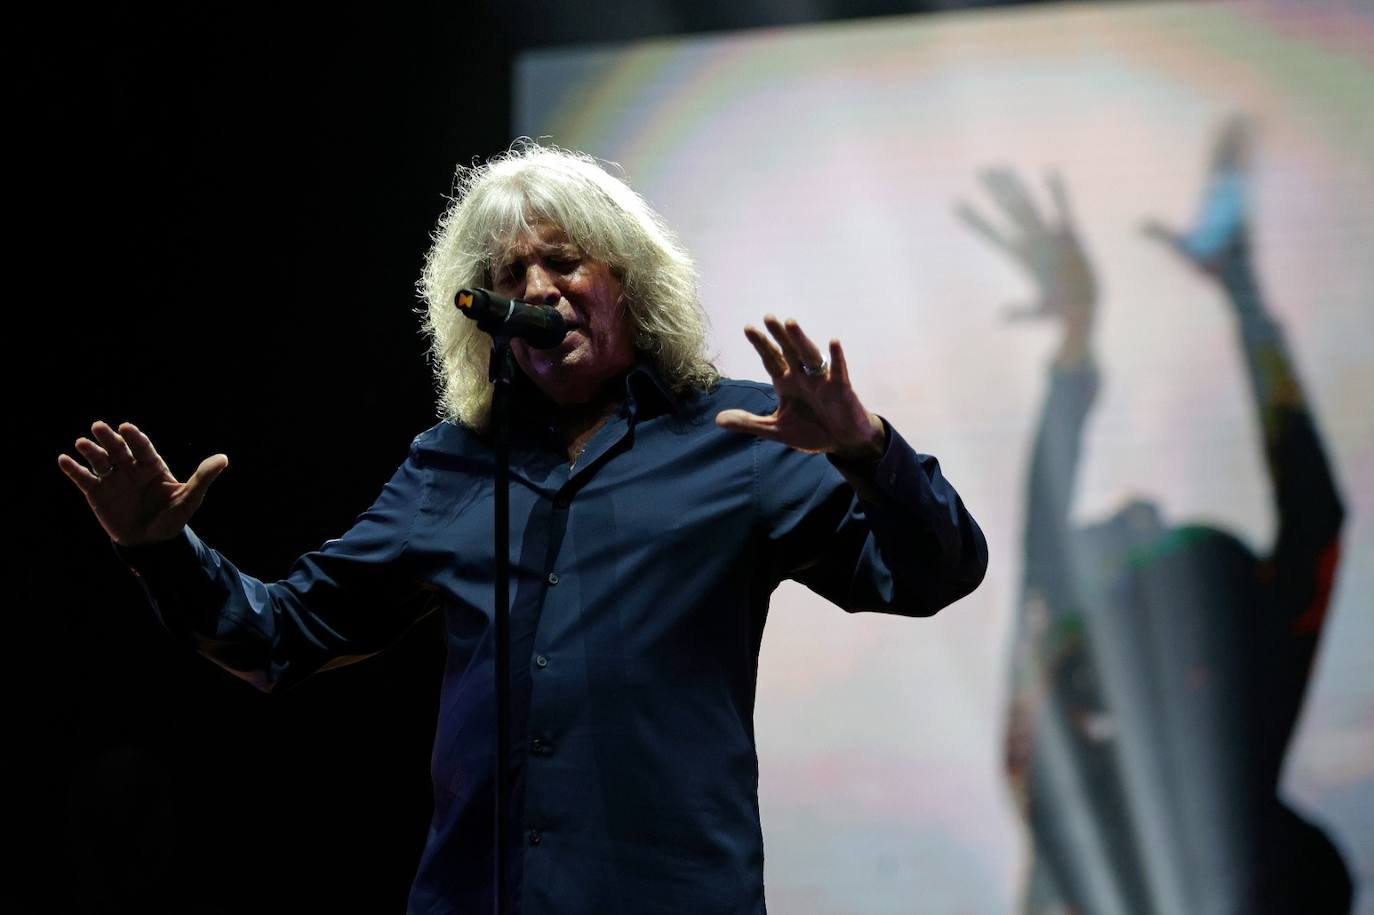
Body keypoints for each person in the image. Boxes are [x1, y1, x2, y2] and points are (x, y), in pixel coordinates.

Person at [58, 143, 989, 914]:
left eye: (563, 259)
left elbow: (936, 574)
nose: (536, 287)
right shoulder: (450, 466)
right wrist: (158, 549)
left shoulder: (736, 438)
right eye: (509, 275)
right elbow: (281, 636)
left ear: (627, 281)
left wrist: (868, 452)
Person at [959, 117, 1350, 914]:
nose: (1141, 503)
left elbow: (1043, 536)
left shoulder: (1075, 747)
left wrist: (1078, 344)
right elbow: (1317, 515)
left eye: (1137, 519)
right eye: (1137, 519)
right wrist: (1237, 299)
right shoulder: (1091, 742)